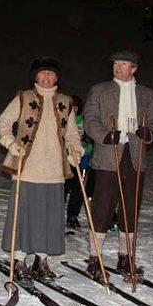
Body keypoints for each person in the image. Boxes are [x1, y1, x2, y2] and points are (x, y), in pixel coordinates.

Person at [0, 57, 82, 284]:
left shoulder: (65, 101)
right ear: (35, 76)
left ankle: (41, 261)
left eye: (51, 74)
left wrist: (76, 151)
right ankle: (20, 260)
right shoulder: (23, 98)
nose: (46, 78)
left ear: (56, 78)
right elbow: (3, 122)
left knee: (48, 217)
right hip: (26, 167)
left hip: (54, 169)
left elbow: (72, 133)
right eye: (42, 73)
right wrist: (10, 143)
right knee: (24, 216)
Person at [82, 50, 153, 280]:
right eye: (116, 63)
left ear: (133, 68)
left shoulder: (147, 94)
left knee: (130, 208)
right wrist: (104, 136)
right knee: (102, 207)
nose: (118, 67)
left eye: (123, 64)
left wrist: (149, 133)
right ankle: (95, 257)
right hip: (108, 155)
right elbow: (90, 119)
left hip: (135, 157)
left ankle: (126, 256)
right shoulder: (99, 90)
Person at [64, 95, 92, 231]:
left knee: (78, 188)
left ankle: (72, 215)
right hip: (66, 158)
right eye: (71, 107)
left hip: (81, 160)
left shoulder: (85, 121)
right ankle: (56, 214)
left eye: (76, 107)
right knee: (63, 188)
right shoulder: (64, 118)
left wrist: (86, 148)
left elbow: (91, 138)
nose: (74, 110)